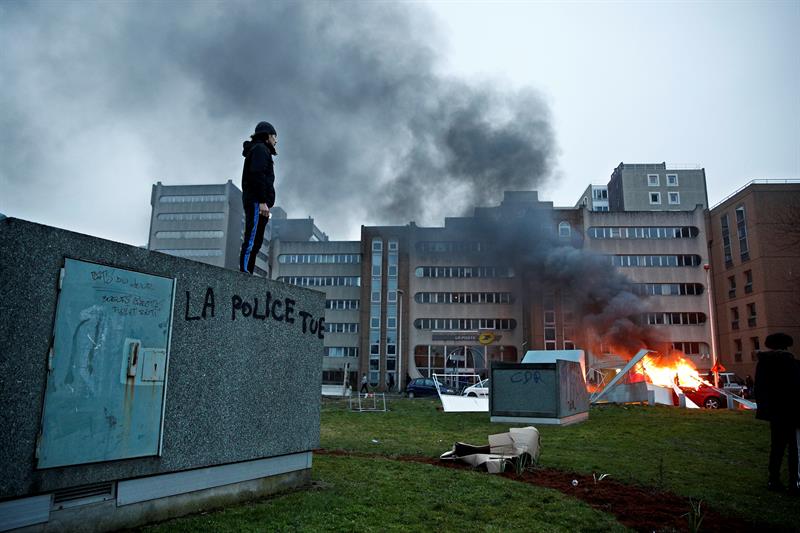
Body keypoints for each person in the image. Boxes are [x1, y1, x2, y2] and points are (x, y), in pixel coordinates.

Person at [754, 332, 800, 493]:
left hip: (775, 414)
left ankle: (773, 480)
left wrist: (766, 410)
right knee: (794, 449)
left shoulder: (764, 363)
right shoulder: (792, 363)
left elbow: (759, 389)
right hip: (793, 412)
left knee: (777, 447)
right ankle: (794, 482)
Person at [239, 121, 277, 274]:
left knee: (257, 241)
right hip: (256, 202)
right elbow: (257, 175)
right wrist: (262, 201)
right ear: (267, 136)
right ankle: (244, 271)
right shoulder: (260, 149)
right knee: (252, 237)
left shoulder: (262, 150)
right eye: (274, 136)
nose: (276, 140)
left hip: (261, 204)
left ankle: (248, 271)